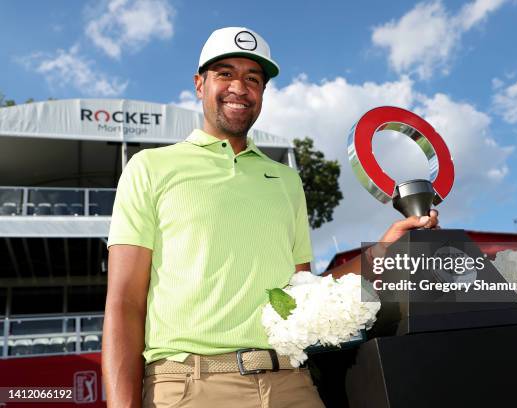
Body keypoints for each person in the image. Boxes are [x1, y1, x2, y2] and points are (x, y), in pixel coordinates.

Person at [102, 26, 439, 408]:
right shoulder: (149, 168)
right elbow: (124, 302)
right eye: (225, 74)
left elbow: (303, 297)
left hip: (291, 385)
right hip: (192, 387)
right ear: (199, 84)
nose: (239, 87)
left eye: (253, 79)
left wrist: (383, 248)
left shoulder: (286, 180)